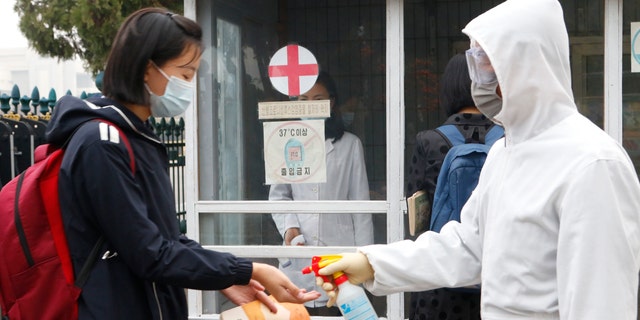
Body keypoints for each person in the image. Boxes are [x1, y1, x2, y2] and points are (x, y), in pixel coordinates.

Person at [316, 0, 640, 319]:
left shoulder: (592, 164)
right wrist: (373, 264)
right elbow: (469, 247)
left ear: (525, 64)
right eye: (473, 58)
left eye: (484, 59)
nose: (476, 75)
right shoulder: (504, 152)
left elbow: (601, 304)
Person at [46, 8, 320, 319]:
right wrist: (247, 269)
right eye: (185, 73)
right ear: (147, 69)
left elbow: (167, 239)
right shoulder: (102, 144)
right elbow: (150, 254)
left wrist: (226, 277)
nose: (190, 86)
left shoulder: (138, 137)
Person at [269, 71, 373, 315]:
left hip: (339, 251)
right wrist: (289, 227)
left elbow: (361, 206)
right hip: (298, 253)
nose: (310, 106)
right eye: (303, 100)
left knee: (337, 310)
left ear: (331, 102)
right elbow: (279, 195)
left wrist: (365, 259)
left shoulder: (349, 145)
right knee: (299, 310)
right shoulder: (285, 142)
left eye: (318, 100)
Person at [406, 53, 495, 320]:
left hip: (440, 279)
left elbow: (415, 218)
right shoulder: (508, 140)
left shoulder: (429, 141)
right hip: (494, 277)